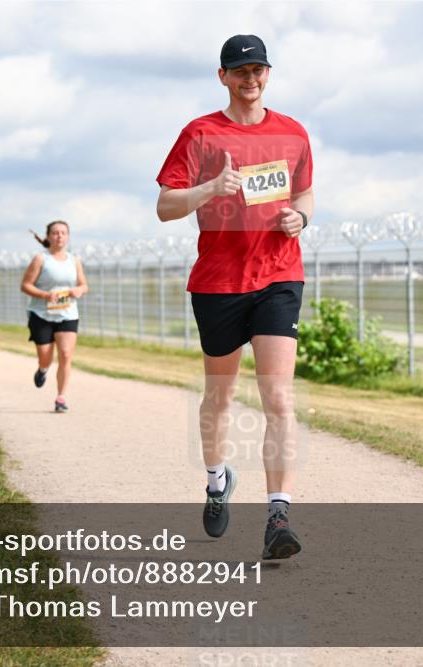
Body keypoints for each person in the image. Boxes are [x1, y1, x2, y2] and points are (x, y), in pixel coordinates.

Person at [156, 35, 314, 560]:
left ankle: (278, 515)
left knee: (278, 398)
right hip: (218, 282)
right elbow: (164, 205)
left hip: (278, 276)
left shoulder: (293, 133)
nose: (251, 79)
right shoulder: (200, 134)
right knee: (219, 398)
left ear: (269, 74)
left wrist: (302, 217)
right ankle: (216, 479)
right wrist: (210, 190)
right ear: (222, 76)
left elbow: (304, 190)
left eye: (259, 70)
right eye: (240, 71)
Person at [20, 221, 88, 413]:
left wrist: (78, 290)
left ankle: (61, 397)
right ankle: (42, 370)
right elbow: (25, 285)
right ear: (48, 236)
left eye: (63, 233)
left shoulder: (74, 260)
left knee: (66, 354)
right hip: (42, 314)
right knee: (45, 357)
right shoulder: (41, 259)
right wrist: (45, 295)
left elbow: (84, 285)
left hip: (67, 313)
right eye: (56, 233)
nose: (59, 236)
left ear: (68, 236)